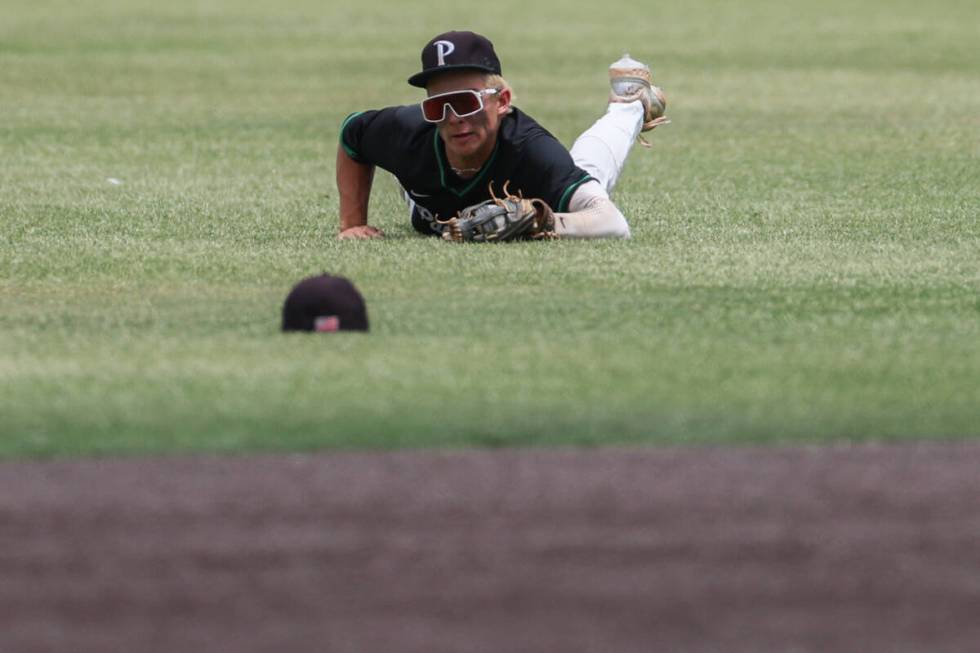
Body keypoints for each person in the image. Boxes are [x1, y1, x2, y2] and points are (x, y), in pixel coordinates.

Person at [336, 31, 668, 240]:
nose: (454, 119)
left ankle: (630, 103)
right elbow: (352, 134)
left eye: (466, 102)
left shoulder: (531, 149)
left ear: (502, 102)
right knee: (414, 166)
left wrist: (544, 221)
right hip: (422, 197)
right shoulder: (409, 132)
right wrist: (352, 224)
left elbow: (612, 223)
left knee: (587, 174)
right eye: (439, 106)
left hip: (535, 188)